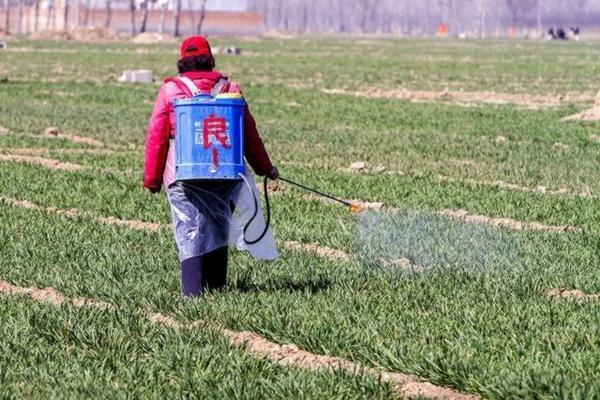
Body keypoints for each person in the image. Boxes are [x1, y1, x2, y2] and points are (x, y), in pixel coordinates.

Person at [143, 35, 278, 298]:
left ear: (183, 62)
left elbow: (156, 136)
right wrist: (265, 168)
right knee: (219, 225)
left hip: (183, 176)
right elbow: (248, 135)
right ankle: (217, 290)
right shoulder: (230, 89)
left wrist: (153, 179)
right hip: (225, 174)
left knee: (190, 229)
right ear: (210, 60)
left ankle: (193, 295)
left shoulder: (172, 90)